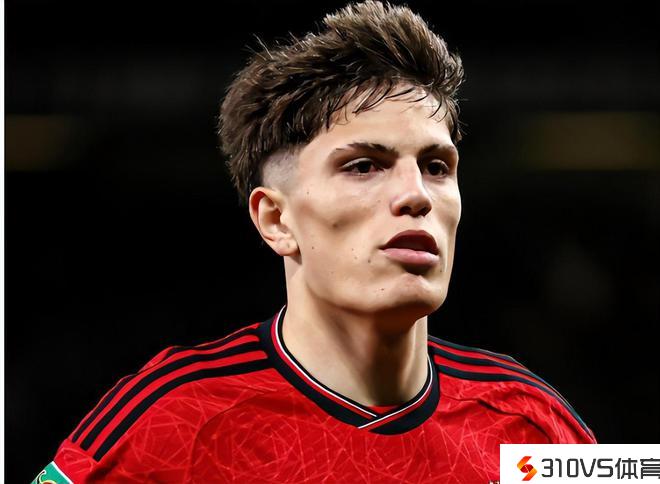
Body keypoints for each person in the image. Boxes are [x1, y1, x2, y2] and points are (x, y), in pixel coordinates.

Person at [33, 1, 596, 482]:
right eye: (363, 166)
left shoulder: (537, 431)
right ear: (275, 220)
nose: (416, 195)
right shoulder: (169, 421)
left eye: (435, 166)